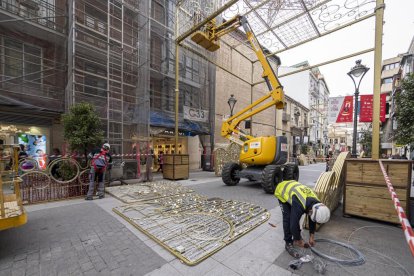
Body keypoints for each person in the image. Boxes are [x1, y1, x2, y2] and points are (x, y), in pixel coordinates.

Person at [274, 180, 331, 258]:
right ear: (311, 211)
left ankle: (296, 237)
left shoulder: (316, 204)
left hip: (294, 189)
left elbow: (312, 219)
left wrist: (312, 236)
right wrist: (299, 240)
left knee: (294, 216)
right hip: (282, 189)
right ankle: (288, 243)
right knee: (288, 218)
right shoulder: (300, 204)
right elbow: (293, 225)